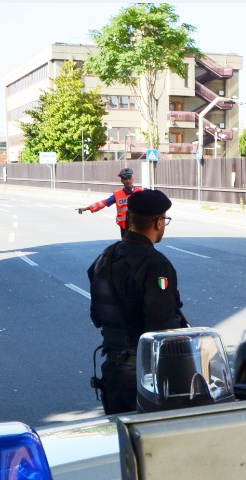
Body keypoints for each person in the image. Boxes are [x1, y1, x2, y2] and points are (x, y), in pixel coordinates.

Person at [87, 188, 188, 414]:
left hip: (113, 370)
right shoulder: (155, 264)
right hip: (146, 374)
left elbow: (96, 314)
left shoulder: (106, 256)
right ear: (158, 222)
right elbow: (161, 326)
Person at [77, 167, 143, 238]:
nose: (128, 181)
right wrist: (87, 208)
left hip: (139, 226)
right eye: (125, 179)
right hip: (125, 227)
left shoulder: (141, 192)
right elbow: (103, 203)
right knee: (126, 247)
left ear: (132, 179)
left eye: (129, 178)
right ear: (121, 181)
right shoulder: (117, 195)